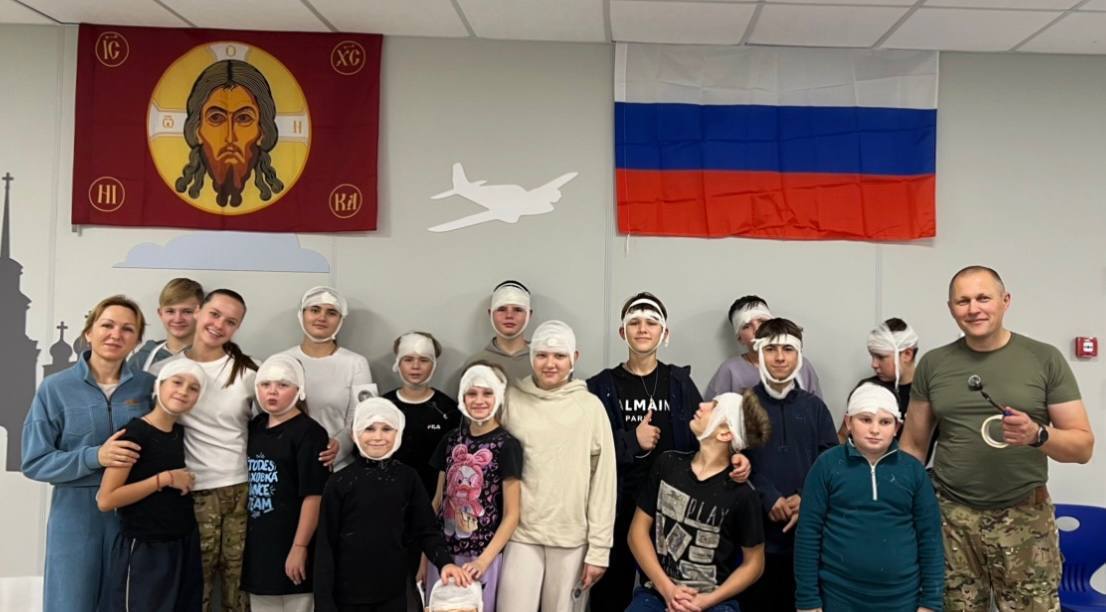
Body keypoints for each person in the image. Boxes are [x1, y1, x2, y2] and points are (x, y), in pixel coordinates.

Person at [901, 265, 1094, 612]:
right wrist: (899, 506)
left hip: (1024, 518)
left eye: (983, 298)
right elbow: (913, 446)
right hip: (951, 520)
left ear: (1005, 301)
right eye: (963, 301)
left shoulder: (1044, 358)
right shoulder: (933, 364)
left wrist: (1038, 434)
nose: (973, 309)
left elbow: (1083, 447)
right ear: (951, 308)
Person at [22, 295, 154, 612]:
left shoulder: (149, 388)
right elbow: (35, 461)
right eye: (107, 325)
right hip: (75, 516)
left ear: (137, 340)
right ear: (89, 332)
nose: (116, 335)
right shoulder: (55, 388)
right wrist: (95, 457)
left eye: (127, 329)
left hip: (133, 513)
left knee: (126, 603)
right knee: (69, 604)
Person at [585, 292, 705, 611]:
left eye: (651, 323)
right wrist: (631, 441)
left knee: (671, 594)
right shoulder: (600, 386)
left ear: (664, 332)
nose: (642, 329)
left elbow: (703, 439)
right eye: (634, 322)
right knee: (611, 595)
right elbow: (587, 447)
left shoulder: (679, 383)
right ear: (622, 331)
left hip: (672, 507)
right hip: (617, 507)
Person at [495, 320, 617, 612]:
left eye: (560, 356)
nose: (550, 364)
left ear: (574, 358)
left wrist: (599, 550)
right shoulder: (511, 400)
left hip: (571, 538)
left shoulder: (590, 408)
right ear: (531, 357)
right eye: (542, 355)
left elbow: (604, 483)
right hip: (521, 534)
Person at [152, 289, 258, 612]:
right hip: (191, 490)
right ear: (198, 311)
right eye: (214, 314)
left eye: (230, 321)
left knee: (238, 586)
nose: (219, 325)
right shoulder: (165, 370)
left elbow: (269, 429)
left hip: (241, 489)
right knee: (196, 585)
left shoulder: (250, 372)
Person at [795, 383, 944, 612]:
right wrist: (807, 600)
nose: (875, 429)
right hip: (838, 597)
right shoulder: (826, 466)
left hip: (902, 599)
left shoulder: (913, 471)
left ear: (897, 427)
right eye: (865, 419)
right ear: (848, 422)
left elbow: (930, 538)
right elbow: (808, 534)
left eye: (885, 422)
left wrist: (931, 602)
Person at [314, 397, 470, 612]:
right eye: (369, 428)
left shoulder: (407, 478)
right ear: (354, 434)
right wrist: (324, 604)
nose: (378, 437)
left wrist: (445, 562)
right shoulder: (338, 482)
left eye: (386, 429)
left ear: (398, 433)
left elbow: (426, 530)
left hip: (393, 594)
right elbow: (325, 546)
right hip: (347, 597)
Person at [627, 392, 770, 612]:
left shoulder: (743, 495)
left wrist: (706, 601)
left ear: (725, 433)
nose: (702, 405)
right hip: (657, 594)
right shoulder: (667, 464)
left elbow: (755, 563)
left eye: (713, 406)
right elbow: (636, 533)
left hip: (714, 603)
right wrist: (668, 590)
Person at [737, 318, 838, 612]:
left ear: (799, 355)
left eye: (788, 349)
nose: (780, 357)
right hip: (754, 540)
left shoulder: (815, 407)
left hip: (807, 537)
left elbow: (831, 463)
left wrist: (805, 497)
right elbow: (733, 462)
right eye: (771, 349)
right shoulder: (741, 405)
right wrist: (767, 496)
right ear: (758, 354)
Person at [97, 359, 207, 612]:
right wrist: (164, 479)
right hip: (145, 547)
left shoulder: (182, 434)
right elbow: (106, 499)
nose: (183, 391)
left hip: (181, 544)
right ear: (159, 386)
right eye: (177, 382)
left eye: (193, 388)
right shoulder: (134, 434)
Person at [426, 363, 523, 612]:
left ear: (498, 395)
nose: (479, 400)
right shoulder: (450, 440)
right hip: (443, 557)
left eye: (487, 393)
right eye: (472, 393)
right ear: (462, 396)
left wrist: (483, 561)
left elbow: (512, 514)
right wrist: (425, 558)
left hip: (482, 558)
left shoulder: (507, 445)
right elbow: (436, 503)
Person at [242, 354, 330, 612]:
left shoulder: (309, 433)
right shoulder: (255, 427)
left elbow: (314, 495)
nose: (272, 391)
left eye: (282, 385)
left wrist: (299, 547)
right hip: (259, 548)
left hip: (293, 542)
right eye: (265, 384)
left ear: (299, 389)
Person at [280, 286, 374, 473]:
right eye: (315, 310)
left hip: (338, 470)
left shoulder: (357, 363)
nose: (322, 317)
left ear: (340, 320)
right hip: (288, 466)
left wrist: (339, 446)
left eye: (331, 313)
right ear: (302, 314)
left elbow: (363, 416)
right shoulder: (281, 361)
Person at [836, 318, 937, 465]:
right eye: (872, 356)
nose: (874, 364)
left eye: (881, 357)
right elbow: (843, 436)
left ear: (907, 354)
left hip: (908, 472)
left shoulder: (929, 394)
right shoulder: (867, 389)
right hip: (859, 471)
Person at [384, 331, 460, 495]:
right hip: (389, 495)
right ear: (398, 363)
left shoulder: (448, 409)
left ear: (434, 364)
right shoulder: (383, 406)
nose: (415, 366)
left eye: (424, 360)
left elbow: (455, 460)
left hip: (434, 498)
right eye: (408, 359)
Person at [704, 295, 823, 399]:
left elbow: (818, 410)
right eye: (746, 326)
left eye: (762, 321)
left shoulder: (800, 365)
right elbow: (711, 413)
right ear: (740, 338)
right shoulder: (730, 370)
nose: (757, 329)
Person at [465, 280, 534, 383]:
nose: (509, 315)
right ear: (490, 314)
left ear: (529, 314)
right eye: (501, 309)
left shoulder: (544, 362)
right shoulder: (476, 364)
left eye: (518, 310)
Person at [130, 277, 204, 373]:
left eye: (187, 311)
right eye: (170, 311)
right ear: (160, 314)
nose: (178, 319)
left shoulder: (214, 359)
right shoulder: (140, 360)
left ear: (201, 313)